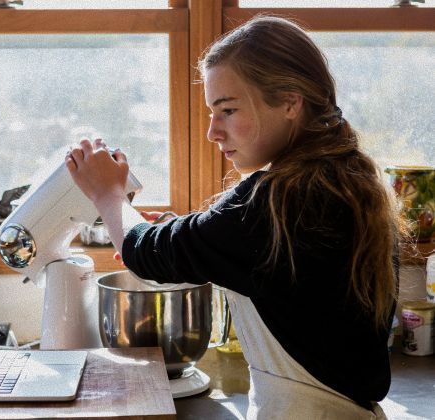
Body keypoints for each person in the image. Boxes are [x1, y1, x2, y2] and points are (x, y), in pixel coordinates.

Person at [65, 15, 403, 420]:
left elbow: (149, 253)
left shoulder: (278, 200)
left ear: (290, 102)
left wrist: (108, 193)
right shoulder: (340, 180)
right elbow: (255, 257)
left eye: (227, 110)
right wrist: (188, 232)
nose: (212, 132)